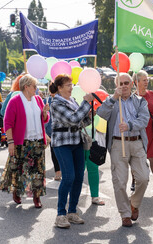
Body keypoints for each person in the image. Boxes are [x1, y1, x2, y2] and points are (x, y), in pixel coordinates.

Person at [97, 73, 150, 228]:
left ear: (132, 84)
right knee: (119, 182)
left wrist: (130, 125)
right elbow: (100, 116)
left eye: (127, 83)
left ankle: (134, 203)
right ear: (116, 85)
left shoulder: (140, 101)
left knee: (143, 178)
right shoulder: (111, 101)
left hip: (136, 142)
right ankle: (125, 214)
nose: (124, 86)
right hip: (117, 144)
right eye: (121, 83)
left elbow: (144, 119)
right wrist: (113, 98)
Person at [49, 74, 95, 229]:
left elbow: (83, 121)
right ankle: (60, 214)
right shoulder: (55, 102)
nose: (71, 88)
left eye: (71, 84)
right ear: (60, 88)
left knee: (79, 177)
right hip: (62, 143)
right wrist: (86, 103)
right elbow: (74, 119)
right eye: (68, 85)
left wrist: (90, 110)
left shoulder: (72, 101)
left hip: (76, 141)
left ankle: (72, 211)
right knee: (68, 177)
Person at [0, 74, 50, 209]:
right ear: (26, 87)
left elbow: (44, 119)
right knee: (19, 169)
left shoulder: (38, 99)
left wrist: (45, 113)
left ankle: (36, 196)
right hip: (22, 141)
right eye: (34, 86)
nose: (36, 89)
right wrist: (10, 142)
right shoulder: (15, 101)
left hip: (37, 140)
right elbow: (7, 123)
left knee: (38, 170)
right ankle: (16, 191)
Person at [43, 91, 61, 181]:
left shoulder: (65, 100)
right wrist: (45, 132)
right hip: (51, 132)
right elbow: (43, 117)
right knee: (54, 152)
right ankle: (57, 171)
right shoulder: (46, 101)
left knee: (62, 152)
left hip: (62, 132)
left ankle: (61, 170)